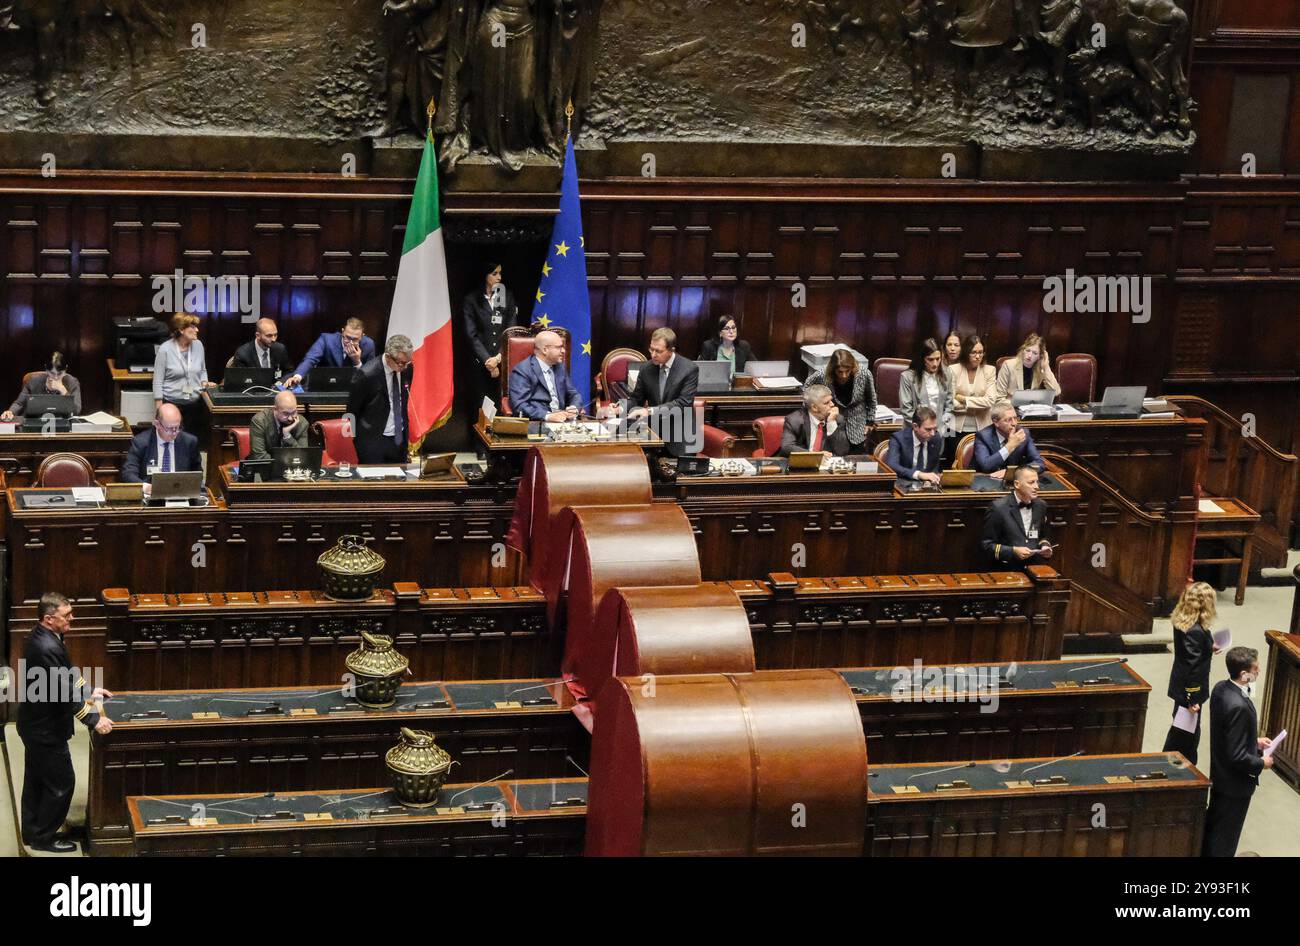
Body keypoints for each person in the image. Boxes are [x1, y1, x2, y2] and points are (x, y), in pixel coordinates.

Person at [16, 592, 113, 853]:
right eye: (67, 615)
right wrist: (95, 720)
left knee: (37, 780)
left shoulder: (48, 637)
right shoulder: (45, 647)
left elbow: (67, 675)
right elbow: (63, 694)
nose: (73, 618)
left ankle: (32, 831)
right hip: (44, 729)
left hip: (35, 725)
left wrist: (89, 690)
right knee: (61, 783)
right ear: (49, 619)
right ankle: (44, 838)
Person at [1202, 646, 1273, 857]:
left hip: (1220, 775)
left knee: (1214, 830)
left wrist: (1253, 741)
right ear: (1244, 674)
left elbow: (1228, 735)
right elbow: (1237, 756)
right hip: (1234, 784)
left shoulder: (1220, 689)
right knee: (1224, 840)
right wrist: (1262, 762)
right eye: (1256, 668)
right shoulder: (1238, 706)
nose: (1259, 671)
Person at [616, 327, 699, 457]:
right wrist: (620, 408)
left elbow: (683, 403)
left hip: (680, 437)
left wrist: (649, 411)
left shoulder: (689, 369)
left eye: (658, 351)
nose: (653, 354)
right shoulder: (646, 368)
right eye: (651, 349)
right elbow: (636, 399)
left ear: (671, 351)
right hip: (653, 434)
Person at [1161, 582, 1219, 767]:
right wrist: (1192, 699)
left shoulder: (1184, 621)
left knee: (1183, 730)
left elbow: (1190, 654)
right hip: (1190, 690)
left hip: (1182, 686)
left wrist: (1209, 647)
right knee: (1186, 735)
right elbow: (1191, 666)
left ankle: (1174, 765)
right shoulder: (1195, 631)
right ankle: (1174, 769)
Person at [347, 334, 414, 464]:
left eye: (408, 362)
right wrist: (352, 441)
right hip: (372, 442)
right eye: (401, 363)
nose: (405, 367)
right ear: (388, 357)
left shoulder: (407, 368)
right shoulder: (366, 374)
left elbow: (403, 401)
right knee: (374, 482)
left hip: (399, 439)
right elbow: (351, 411)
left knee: (399, 481)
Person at [463, 261, 521, 399]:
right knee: (480, 408)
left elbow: (510, 331)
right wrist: (488, 360)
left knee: (499, 404)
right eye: (494, 273)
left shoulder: (506, 296)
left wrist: (498, 358)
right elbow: (471, 334)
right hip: (480, 362)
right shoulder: (471, 300)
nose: (499, 277)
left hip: (502, 361)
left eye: (500, 273)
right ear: (484, 275)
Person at [980, 465, 1055, 568]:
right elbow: (987, 545)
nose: (1037, 486)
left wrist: (1045, 546)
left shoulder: (1041, 506)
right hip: (1007, 569)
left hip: (1035, 568)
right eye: (1031, 482)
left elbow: (1043, 536)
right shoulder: (998, 508)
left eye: (1037, 482)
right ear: (1017, 484)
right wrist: (1013, 551)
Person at [153, 313, 215, 435]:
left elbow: (202, 370)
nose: (197, 330)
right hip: (171, 404)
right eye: (193, 327)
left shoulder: (198, 345)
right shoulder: (165, 349)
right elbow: (157, 380)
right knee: (172, 440)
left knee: (191, 442)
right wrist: (159, 408)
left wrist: (205, 382)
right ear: (181, 330)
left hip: (193, 404)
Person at [804, 349, 876, 452]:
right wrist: (813, 414)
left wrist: (870, 421)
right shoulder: (822, 374)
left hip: (857, 424)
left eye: (848, 371)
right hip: (833, 422)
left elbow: (872, 399)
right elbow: (807, 390)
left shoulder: (864, 374)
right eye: (840, 372)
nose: (844, 375)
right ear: (833, 369)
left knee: (855, 458)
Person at [899, 337, 957, 464]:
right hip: (915, 431)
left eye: (938, 359)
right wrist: (923, 429)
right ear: (922, 359)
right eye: (930, 359)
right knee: (913, 468)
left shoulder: (947, 373)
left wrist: (940, 429)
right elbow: (906, 409)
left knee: (933, 470)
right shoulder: (908, 377)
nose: (935, 363)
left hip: (938, 432)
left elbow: (949, 405)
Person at [508, 330, 583, 422]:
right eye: (559, 347)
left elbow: (574, 394)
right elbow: (519, 405)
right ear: (545, 350)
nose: (563, 351)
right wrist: (547, 416)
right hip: (538, 422)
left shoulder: (560, 367)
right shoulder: (522, 370)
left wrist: (574, 407)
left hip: (563, 421)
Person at [121, 403, 203, 486]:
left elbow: (198, 474)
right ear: (157, 424)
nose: (174, 433)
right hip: (149, 494)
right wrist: (146, 487)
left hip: (179, 493)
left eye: (177, 427)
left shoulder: (189, 442)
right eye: (169, 428)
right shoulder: (141, 442)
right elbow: (128, 473)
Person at [284, 318, 377, 389]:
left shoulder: (368, 345)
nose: (350, 342)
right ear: (342, 331)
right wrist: (297, 376)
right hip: (326, 385)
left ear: (362, 336)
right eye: (347, 337)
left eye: (355, 339)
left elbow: (370, 377)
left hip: (353, 388)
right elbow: (310, 359)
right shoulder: (327, 339)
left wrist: (357, 362)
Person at [2, 351, 82, 421]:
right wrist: (10, 412)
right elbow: (19, 403)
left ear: (66, 369)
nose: (56, 377)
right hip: (34, 423)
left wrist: (63, 390)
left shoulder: (72, 383)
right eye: (52, 373)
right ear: (46, 370)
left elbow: (77, 411)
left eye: (60, 373)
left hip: (63, 426)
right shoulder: (33, 382)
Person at [778, 384, 851, 458]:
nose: (832, 404)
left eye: (831, 400)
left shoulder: (837, 419)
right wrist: (814, 455)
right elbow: (786, 447)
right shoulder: (795, 420)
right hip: (804, 463)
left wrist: (831, 423)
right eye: (826, 403)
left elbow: (842, 451)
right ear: (814, 407)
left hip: (828, 465)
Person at [972, 403, 1044, 473]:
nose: (1014, 423)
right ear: (996, 422)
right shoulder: (983, 436)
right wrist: (1009, 446)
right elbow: (986, 466)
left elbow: (1039, 463)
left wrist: (1012, 472)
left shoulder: (1022, 433)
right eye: (1009, 420)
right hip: (987, 480)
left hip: (1014, 480)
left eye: (1015, 418)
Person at [949, 334, 997, 433]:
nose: (978, 356)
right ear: (966, 353)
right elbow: (949, 402)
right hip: (955, 427)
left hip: (983, 427)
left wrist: (964, 399)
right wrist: (978, 405)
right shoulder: (953, 370)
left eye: (980, 352)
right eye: (973, 353)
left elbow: (990, 400)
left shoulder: (990, 370)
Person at [995, 332, 1061, 402]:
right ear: (1023, 350)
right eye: (1028, 350)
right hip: (1011, 408)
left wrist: (1046, 367)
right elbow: (999, 398)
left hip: (1031, 409)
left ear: (1040, 356)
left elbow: (1056, 392)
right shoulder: (1008, 365)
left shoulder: (1040, 369)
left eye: (1035, 353)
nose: (1029, 355)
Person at [247, 391, 310, 460]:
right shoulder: (260, 421)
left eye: (294, 412)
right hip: (265, 467)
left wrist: (288, 437)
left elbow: (302, 456)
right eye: (285, 414)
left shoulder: (302, 423)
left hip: (291, 468)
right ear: (275, 409)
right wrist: (283, 462)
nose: (290, 418)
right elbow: (259, 456)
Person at [887, 407, 943, 485]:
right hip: (904, 485)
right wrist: (919, 474)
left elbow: (934, 467)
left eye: (934, 429)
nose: (933, 433)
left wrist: (936, 476)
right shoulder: (898, 438)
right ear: (915, 426)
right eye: (928, 429)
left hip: (928, 487)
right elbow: (892, 465)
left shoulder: (936, 439)